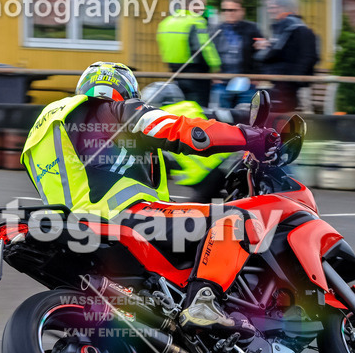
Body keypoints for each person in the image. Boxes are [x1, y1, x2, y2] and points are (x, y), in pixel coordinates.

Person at [20, 61, 279, 333]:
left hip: (81, 231)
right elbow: (182, 131)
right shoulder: (109, 111)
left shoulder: (44, 133)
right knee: (235, 218)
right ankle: (203, 302)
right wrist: (245, 136)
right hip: (128, 219)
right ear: (123, 91)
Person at [139, 81, 240, 203]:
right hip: (224, 163)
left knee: (195, 214)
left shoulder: (156, 125)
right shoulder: (192, 107)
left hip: (199, 177)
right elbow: (227, 117)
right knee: (222, 201)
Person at [254, 0, 319, 112]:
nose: (270, 11)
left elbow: (307, 56)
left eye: (273, 7)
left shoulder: (292, 28)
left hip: (288, 86)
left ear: (283, 8)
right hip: (283, 84)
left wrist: (292, 81)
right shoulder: (286, 28)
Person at [156, 0, 221, 106]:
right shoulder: (196, 21)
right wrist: (216, 66)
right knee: (199, 110)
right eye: (202, 4)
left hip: (175, 73)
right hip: (197, 74)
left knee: (181, 108)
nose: (204, 8)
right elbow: (204, 48)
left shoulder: (166, 22)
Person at [214, 0, 263, 106]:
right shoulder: (216, 30)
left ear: (242, 11)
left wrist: (257, 75)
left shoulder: (252, 28)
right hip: (222, 81)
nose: (229, 13)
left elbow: (260, 54)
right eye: (225, 10)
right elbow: (208, 53)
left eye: (233, 10)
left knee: (245, 118)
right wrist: (213, 74)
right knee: (222, 119)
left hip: (247, 81)